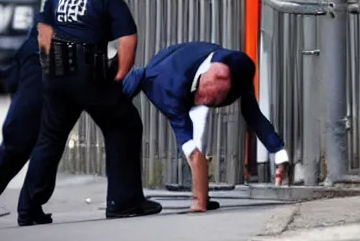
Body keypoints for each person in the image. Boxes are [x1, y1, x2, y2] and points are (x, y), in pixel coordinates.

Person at [17, 0, 161, 226]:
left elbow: (43, 30)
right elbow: (128, 39)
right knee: (125, 124)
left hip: (56, 76)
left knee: (50, 139)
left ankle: (28, 208)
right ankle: (124, 202)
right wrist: (119, 76)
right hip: (90, 77)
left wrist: (49, 67)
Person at [122, 41, 290, 213]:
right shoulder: (167, 91)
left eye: (217, 100)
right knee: (186, 145)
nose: (206, 103)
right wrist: (199, 201)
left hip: (200, 59)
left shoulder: (237, 71)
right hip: (162, 75)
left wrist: (278, 151)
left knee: (202, 130)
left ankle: (202, 191)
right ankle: (126, 196)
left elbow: (253, 113)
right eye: (206, 97)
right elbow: (192, 152)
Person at [0, 26, 41, 218]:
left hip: (36, 60)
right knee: (20, 143)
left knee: (35, 144)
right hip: (41, 60)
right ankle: (29, 208)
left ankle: (30, 208)